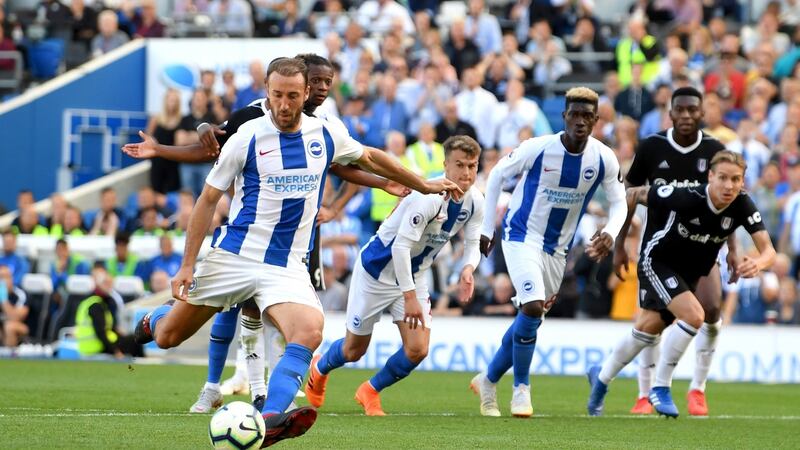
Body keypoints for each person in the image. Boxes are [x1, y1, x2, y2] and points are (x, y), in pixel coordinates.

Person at [131, 57, 462, 445]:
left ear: (305, 94)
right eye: (277, 96)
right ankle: (154, 318)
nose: (284, 105)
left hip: (286, 264)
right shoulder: (248, 136)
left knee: (309, 330)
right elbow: (207, 199)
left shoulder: (326, 133)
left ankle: (271, 417)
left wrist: (422, 184)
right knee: (169, 336)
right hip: (235, 256)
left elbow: (369, 157)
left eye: (292, 96)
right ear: (267, 93)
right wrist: (187, 265)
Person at [469, 87, 628, 418]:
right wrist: (486, 228)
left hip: (557, 249)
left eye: (587, 116)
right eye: (575, 114)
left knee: (531, 317)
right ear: (564, 116)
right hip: (520, 234)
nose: (580, 121)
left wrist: (611, 233)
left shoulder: (603, 158)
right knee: (532, 304)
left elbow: (619, 203)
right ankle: (521, 389)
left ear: (596, 121)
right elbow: (496, 174)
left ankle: (488, 379)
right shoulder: (538, 148)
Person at [588, 151, 776, 418]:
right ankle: (661, 387)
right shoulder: (687, 196)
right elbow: (632, 195)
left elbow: (769, 251)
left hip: (691, 272)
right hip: (657, 261)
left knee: (647, 329)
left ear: (742, 181)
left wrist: (758, 263)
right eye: (722, 178)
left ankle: (601, 378)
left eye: (735, 179)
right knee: (695, 315)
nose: (728, 185)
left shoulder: (743, 204)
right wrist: (617, 241)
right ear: (711, 176)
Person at [305, 135, 484, 415]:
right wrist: (409, 297)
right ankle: (320, 366)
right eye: (459, 165)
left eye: (472, 166)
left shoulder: (475, 201)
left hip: (414, 275)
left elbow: (473, 243)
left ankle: (370, 390)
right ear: (446, 165)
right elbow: (400, 248)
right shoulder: (428, 197)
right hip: (377, 272)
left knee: (418, 349)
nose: (466, 173)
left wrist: (468, 268)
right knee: (354, 351)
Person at [613, 86, 731, 417]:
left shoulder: (715, 150)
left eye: (693, 110)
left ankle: (698, 388)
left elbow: (731, 202)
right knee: (652, 321)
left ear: (702, 113)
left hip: (702, 247)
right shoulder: (652, 147)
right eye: (681, 110)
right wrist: (620, 244)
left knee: (712, 308)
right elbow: (629, 195)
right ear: (671, 113)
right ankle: (644, 394)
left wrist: (733, 250)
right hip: (658, 251)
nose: (687, 115)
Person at [75, 264, 144, 358]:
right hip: (97, 347)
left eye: (110, 283)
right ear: (98, 284)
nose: (109, 286)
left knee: (132, 338)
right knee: (135, 340)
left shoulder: (96, 301)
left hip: (91, 346)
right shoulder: (96, 304)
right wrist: (115, 351)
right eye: (105, 283)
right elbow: (101, 332)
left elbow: (109, 327)